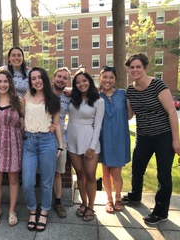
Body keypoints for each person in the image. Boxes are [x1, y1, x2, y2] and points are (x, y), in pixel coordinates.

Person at [123, 53, 180, 225]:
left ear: (145, 68)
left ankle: (160, 212)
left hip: (163, 136)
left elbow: (172, 112)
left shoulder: (158, 85)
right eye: (132, 67)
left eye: (138, 67)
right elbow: (129, 115)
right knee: (137, 168)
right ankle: (135, 195)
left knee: (163, 174)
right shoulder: (130, 90)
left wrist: (176, 140)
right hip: (143, 136)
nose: (135, 70)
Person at [22, 67, 63, 232]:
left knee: (46, 182)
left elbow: (57, 123)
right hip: (29, 143)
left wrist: (60, 145)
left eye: (39, 77)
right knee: (28, 182)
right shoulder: (26, 97)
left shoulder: (53, 99)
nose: (37, 81)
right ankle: (32, 210)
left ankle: (44, 211)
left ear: (45, 79)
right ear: (30, 81)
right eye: (33, 78)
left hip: (47, 142)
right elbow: (22, 117)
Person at [0, 69, 24, 226]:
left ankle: (12, 211)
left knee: (13, 180)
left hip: (13, 143)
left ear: (10, 83)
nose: (2, 84)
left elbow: (24, 121)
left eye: (5, 81)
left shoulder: (19, 101)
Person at [66, 70, 104, 222]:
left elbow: (98, 125)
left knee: (90, 175)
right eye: (77, 82)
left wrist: (92, 146)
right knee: (79, 173)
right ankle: (83, 202)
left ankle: (91, 207)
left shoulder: (98, 101)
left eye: (84, 81)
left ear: (90, 81)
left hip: (89, 141)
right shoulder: (72, 99)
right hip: (72, 140)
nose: (81, 84)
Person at [98, 66, 131, 213]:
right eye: (105, 77)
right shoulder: (96, 97)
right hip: (103, 137)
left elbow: (129, 115)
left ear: (115, 80)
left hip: (119, 137)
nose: (108, 80)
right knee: (105, 172)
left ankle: (118, 197)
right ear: (100, 78)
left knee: (116, 172)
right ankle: (109, 200)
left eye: (111, 77)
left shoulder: (123, 94)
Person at [51, 67, 71, 218]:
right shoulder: (43, 92)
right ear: (53, 77)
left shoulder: (69, 97)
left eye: (65, 78)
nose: (61, 79)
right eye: (59, 76)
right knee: (42, 173)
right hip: (42, 138)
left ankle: (58, 202)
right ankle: (42, 202)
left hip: (61, 139)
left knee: (58, 173)